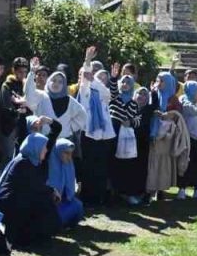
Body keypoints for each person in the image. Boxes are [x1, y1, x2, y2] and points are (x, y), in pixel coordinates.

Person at [0, 118, 63, 247]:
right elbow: (34, 186)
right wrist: (52, 190)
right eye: (44, 148)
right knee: (42, 200)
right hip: (11, 204)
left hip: (24, 198)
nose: (46, 150)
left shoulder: (38, 157)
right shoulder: (23, 162)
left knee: (45, 201)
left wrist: (49, 121)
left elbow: (56, 131)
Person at [73, 47, 115, 206]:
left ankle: (100, 197)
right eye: (99, 76)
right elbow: (85, 79)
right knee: (88, 167)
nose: (101, 79)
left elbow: (106, 92)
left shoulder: (103, 93)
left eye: (104, 77)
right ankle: (88, 197)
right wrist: (88, 61)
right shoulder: (85, 92)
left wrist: (95, 80)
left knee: (101, 167)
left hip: (104, 136)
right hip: (88, 134)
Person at [146, 88, 190, 199]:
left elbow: (176, 116)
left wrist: (164, 115)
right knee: (153, 162)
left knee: (163, 164)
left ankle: (160, 189)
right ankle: (151, 189)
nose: (159, 83)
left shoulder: (173, 99)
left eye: (162, 81)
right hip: (154, 134)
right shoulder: (154, 95)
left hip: (166, 137)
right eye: (158, 80)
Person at [109, 81, 146, 205]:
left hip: (126, 141)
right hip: (112, 137)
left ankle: (125, 194)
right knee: (113, 165)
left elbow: (138, 120)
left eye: (128, 82)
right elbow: (113, 90)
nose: (125, 84)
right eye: (123, 81)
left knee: (126, 166)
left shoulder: (133, 104)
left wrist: (130, 122)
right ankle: (112, 194)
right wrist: (114, 78)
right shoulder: (115, 99)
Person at [176, 80, 197, 200]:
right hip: (186, 137)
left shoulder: (195, 101)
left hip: (196, 136)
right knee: (184, 164)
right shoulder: (184, 100)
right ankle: (182, 189)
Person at [48, 138, 85, 228]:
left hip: (63, 202)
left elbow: (68, 188)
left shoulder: (69, 164)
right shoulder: (48, 165)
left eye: (71, 153)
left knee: (78, 205)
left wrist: (75, 190)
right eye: (66, 153)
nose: (69, 157)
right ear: (58, 151)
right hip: (50, 205)